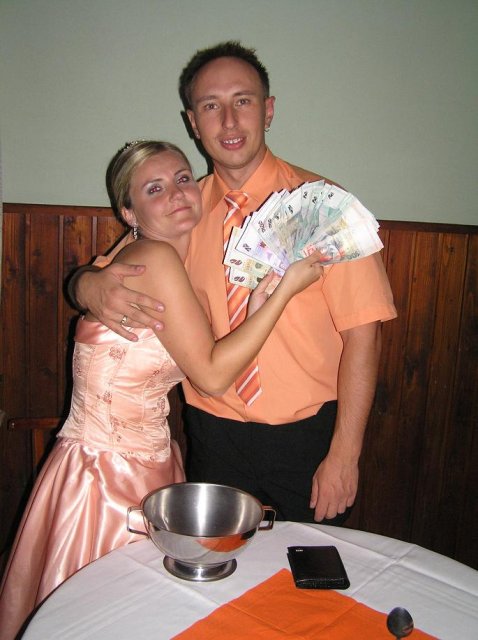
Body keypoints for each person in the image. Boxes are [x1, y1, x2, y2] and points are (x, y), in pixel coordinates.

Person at [0, 140, 323, 640]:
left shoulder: (154, 258)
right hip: (107, 474)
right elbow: (211, 376)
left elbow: (202, 354)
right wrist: (285, 291)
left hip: (139, 460)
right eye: (154, 188)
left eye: (182, 178)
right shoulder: (154, 257)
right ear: (129, 212)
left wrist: (257, 303)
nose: (176, 193)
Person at [71, 41, 397, 525]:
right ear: (192, 122)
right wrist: (84, 284)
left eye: (242, 101)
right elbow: (108, 274)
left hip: (307, 442)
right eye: (211, 106)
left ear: (268, 110)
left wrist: (345, 454)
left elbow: (363, 336)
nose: (228, 121)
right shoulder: (182, 210)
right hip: (213, 436)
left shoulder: (325, 207)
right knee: (215, 566)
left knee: (306, 568)